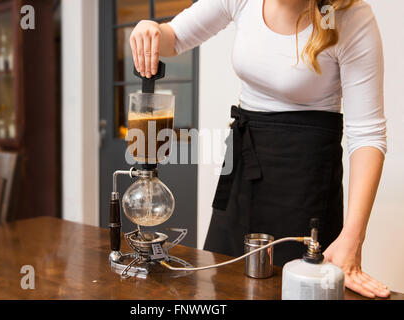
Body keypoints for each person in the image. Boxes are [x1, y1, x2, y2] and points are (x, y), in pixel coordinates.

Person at [129, 0, 390, 298]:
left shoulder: (343, 16)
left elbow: (367, 134)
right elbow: (173, 38)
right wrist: (150, 31)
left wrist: (352, 240)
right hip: (243, 169)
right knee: (222, 285)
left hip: (305, 182)